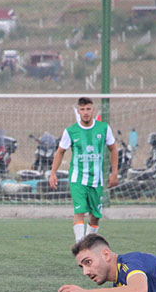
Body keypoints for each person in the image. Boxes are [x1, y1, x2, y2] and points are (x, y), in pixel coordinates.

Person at [49, 97, 119, 243]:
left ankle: (89, 241)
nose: (85, 112)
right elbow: (60, 151)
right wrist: (53, 173)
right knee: (79, 211)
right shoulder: (71, 131)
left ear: (93, 110)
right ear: (78, 111)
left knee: (95, 216)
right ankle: (81, 245)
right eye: (82, 109)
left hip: (96, 179)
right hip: (77, 178)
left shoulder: (104, 128)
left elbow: (113, 149)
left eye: (88, 109)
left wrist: (114, 173)